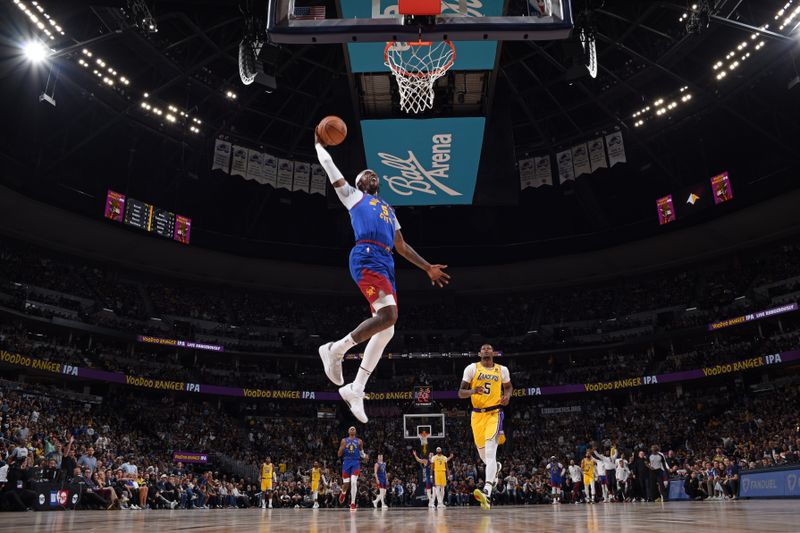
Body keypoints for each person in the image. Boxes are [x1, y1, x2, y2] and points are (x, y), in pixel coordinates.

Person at [314, 135, 450, 423]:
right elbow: (330, 168)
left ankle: (356, 388)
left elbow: (401, 246)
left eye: (374, 174)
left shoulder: (389, 209)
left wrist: (426, 267)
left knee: (387, 329)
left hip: (386, 261)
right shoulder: (353, 196)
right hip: (365, 256)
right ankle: (334, 349)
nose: (371, 174)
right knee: (389, 315)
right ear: (360, 181)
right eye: (366, 173)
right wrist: (319, 146)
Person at [458, 344, 513, 510]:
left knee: (490, 452)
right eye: (483, 348)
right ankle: (496, 468)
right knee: (485, 458)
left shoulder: (502, 370)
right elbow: (461, 393)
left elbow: (508, 387)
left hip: (494, 414)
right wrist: (473, 391)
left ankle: (487, 491)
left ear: (494, 352)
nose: (487, 350)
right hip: (477, 416)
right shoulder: (471, 368)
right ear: (479, 353)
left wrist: (507, 396)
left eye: (489, 348)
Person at [338, 426, 367, 511]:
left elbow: (362, 453)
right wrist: (342, 449)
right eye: (351, 428)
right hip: (346, 462)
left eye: (354, 429)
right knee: (346, 484)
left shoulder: (359, 441)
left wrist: (365, 456)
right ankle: (343, 493)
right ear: (348, 431)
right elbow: (339, 454)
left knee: (354, 482)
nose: (352, 429)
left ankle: (353, 503)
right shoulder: (344, 440)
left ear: (356, 431)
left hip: (355, 462)